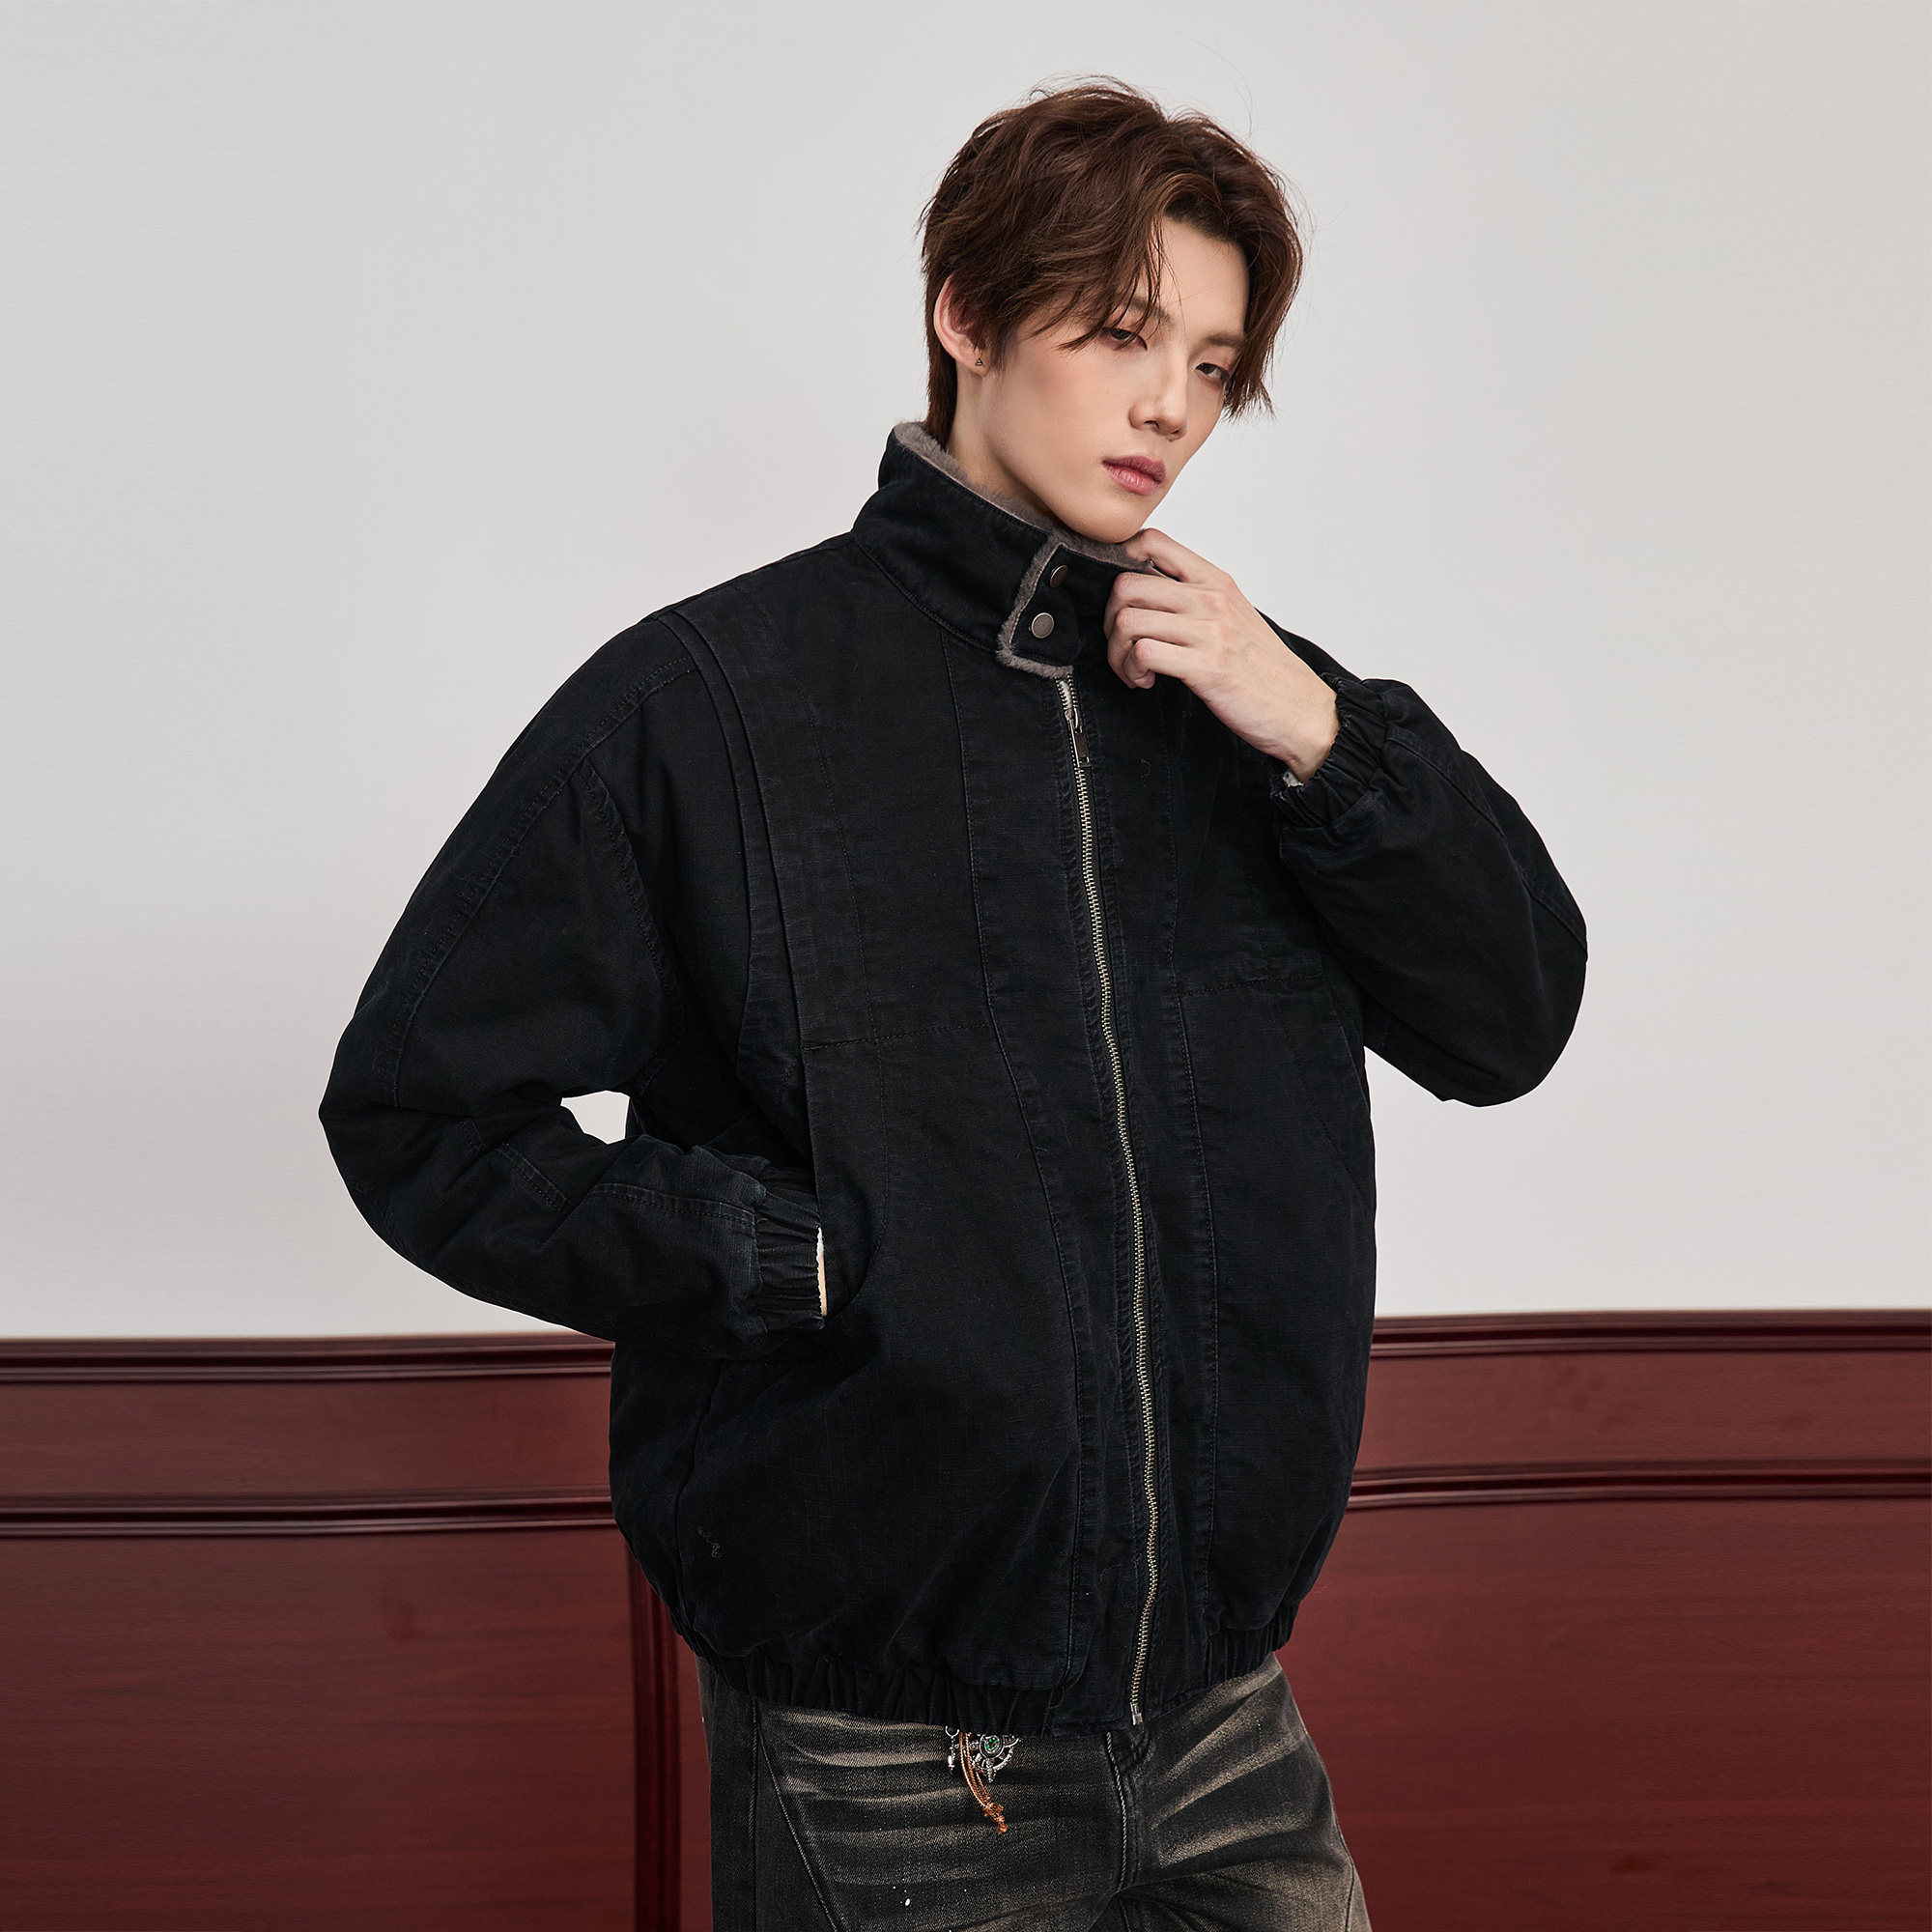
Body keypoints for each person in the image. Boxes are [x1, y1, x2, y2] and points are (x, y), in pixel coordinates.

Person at [321, 75, 1586, 1930]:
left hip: (1226, 1717)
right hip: (892, 1755)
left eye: (1213, 365)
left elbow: (1510, 1021)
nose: (1171, 407)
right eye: (1122, 333)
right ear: (969, 315)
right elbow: (418, 1116)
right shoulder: (708, 704)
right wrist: (785, 1260)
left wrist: (1325, 732)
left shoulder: (1252, 708)